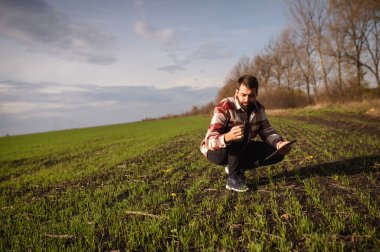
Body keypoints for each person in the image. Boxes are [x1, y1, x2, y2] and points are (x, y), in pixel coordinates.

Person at [200, 75, 293, 192]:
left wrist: (279, 144)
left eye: (251, 95)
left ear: (256, 94)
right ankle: (233, 178)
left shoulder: (258, 108)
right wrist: (228, 137)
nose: (247, 99)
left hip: (242, 147)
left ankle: (234, 167)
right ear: (237, 92)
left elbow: (267, 131)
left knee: (277, 153)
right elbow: (209, 140)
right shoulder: (225, 106)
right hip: (216, 152)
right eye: (243, 95)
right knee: (241, 131)